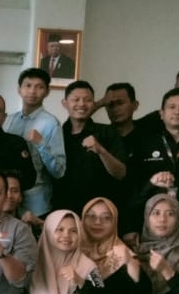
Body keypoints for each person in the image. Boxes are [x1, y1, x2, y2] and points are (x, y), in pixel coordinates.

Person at [127, 89, 179, 235]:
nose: (178, 112)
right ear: (162, 114)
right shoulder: (144, 144)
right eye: (172, 107)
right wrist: (151, 183)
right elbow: (130, 187)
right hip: (152, 223)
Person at [78, 197, 143, 294]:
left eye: (106, 218)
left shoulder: (122, 252)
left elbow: (141, 292)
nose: (97, 222)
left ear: (114, 222)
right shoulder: (71, 250)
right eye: (91, 216)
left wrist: (130, 262)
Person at [52, 81, 127, 214]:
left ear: (93, 104)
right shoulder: (56, 135)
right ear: (65, 103)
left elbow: (121, 173)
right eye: (76, 99)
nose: (82, 104)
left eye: (87, 100)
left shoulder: (107, 132)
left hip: (99, 211)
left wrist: (101, 150)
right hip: (64, 211)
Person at [5, 67, 65, 221]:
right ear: (19, 90)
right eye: (28, 85)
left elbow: (59, 170)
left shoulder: (51, 123)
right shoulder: (8, 120)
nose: (32, 91)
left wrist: (41, 143)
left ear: (47, 92)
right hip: (6, 202)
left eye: (39, 87)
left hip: (36, 203)